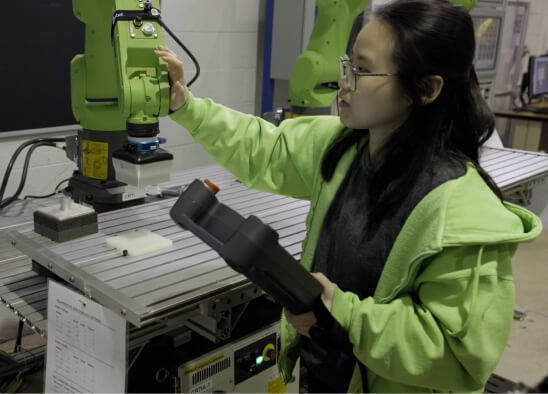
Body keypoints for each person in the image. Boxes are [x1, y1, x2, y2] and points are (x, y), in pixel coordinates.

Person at [155, 0, 542, 392]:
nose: (344, 81)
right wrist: (186, 105)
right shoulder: (346, 148)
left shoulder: (461, 211)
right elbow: (263, 148)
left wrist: (340, 315)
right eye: (348, 64)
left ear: (424, 89)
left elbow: (456, 353)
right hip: (325, 375)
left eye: (362, 69)